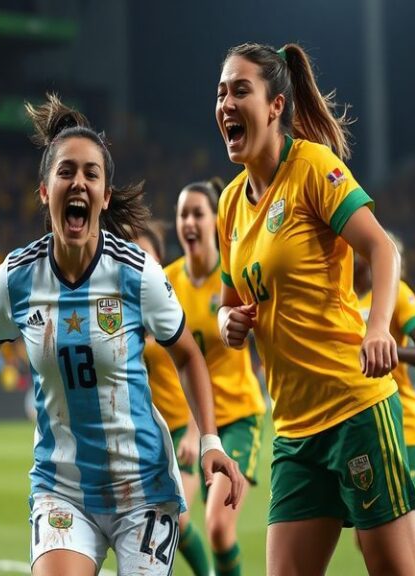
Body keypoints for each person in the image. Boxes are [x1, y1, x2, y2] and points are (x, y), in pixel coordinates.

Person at [0, 94, 244, 576]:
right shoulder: (16, 277)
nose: (78, 182)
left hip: (142, 488)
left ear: (105, 197)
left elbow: (188, 355)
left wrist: (209, 438)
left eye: (91, 173)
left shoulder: (136, 273)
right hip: (61, 487)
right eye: (66, 171)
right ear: (44, 190)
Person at [214, 42, 415, 575]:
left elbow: (382, 248)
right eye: (220, 93)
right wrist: (228, 321)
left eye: (241, 90)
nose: (226, 103)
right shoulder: (229, 206)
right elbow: (228, 303)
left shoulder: (313, 168)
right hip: (293, 431)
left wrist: (378, 327)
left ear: (275, 106)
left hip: (354, 409)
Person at [172, 179, 266, 576]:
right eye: (183, 214)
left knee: (218, 528)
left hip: (238, 417)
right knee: (173, 520)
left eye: (198, 213)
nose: (189, 222)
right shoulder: (166, 282)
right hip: (191, 420)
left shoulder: (233, 275)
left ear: (214, 222)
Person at [354, 234, 415, 576]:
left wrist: (389, 351)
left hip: (405, 426)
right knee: (370, 537)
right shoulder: (343, 296)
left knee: (392, 535)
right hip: (370, 426)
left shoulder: (398, 293)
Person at [135, 222, 211, 576]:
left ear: (159, 261)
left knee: (177, 519)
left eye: (145, 255)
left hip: (183, 429)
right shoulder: (118, 310)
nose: (137, 262)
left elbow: (196, 364)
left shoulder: (169, 303)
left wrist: (196, 433)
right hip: (146, 436)